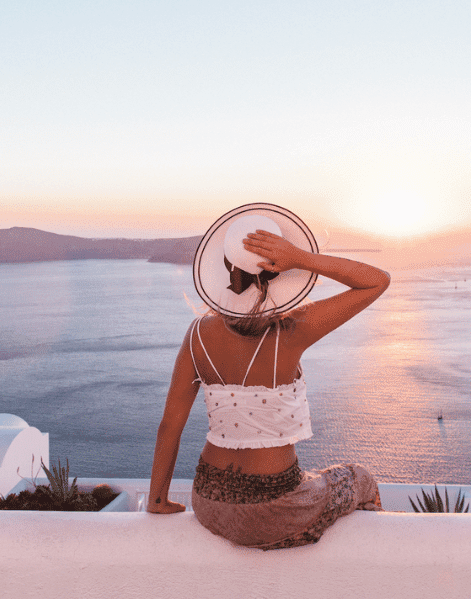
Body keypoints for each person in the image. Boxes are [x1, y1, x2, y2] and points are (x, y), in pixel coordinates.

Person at [147, 203, 390, 550]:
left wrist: (157, 501)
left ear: (225, 267)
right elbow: (376, 281)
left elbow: (170, 424)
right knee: (359, 479)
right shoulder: (292, 330)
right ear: (280, 273)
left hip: (209, 503)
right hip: (274, 511)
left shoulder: (197, 333)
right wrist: (301, 258)